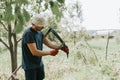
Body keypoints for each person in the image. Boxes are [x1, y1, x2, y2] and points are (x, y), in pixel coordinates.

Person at [21, 14, 69, 80]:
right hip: (30, 66)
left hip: (39, 64)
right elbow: (34, 52)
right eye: (41, 25)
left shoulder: (40, 33)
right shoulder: (28, 34)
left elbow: (49, 44)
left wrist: (60, 48)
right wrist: (50, 52)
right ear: (35, 24)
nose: (43, 27)